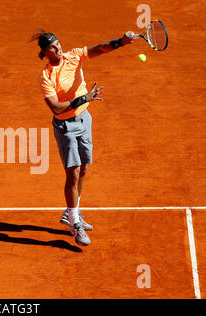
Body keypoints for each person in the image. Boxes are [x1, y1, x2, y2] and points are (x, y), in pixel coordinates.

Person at [32, 29, 136, 246]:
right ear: (44, 52)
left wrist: (122, 42)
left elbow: (99, 49)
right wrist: (83, 98)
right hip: (65, 126)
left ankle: (72, 213)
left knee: (85, 168)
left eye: (58, 43)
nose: (58, 48)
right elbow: (56, 108)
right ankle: (74, 224)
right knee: (74, 171)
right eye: (52, 47)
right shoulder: (46, 76)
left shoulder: (73, 56)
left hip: (84, 119)